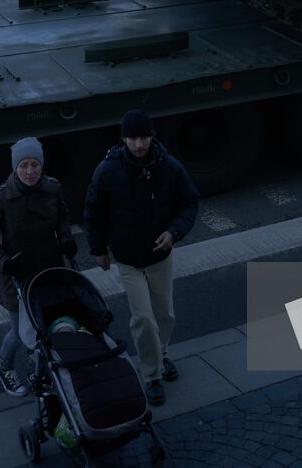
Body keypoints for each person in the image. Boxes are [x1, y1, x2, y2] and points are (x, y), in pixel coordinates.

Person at [84, 109, 199, 406]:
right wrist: (98, 249)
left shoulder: (169, 167)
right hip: (128, 259)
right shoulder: (108, 170)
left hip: (160, 255)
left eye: (143, 137)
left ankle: (161, 355)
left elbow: (188, 202)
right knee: (143, 318)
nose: (138, 144)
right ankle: (152, 376)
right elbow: (93, 210)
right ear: (123, 139)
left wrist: (173, 232)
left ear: (151, 136)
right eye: (132, 138)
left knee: (165, 315)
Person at [0, 137, 75, 398]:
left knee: (47, 326)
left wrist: (66, 239)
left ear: (41, 166)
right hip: (16, 273)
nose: (30, 172)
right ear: (15, 168)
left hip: (48, 268)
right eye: (24, 166)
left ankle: (40, 371)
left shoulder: (53, 188)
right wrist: (2, 262)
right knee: (22, 331)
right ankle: (4, 367)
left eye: (34, 165)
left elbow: (63, 217)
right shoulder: (2, 196)